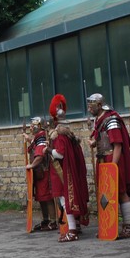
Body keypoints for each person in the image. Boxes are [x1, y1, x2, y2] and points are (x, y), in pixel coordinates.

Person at [87, 93, 130, 239]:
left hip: (112, 160)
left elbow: (117, 144)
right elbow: (104, 139)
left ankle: (127, 227)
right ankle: (109, 225)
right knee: (105, 193)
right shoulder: (100, 120)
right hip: (103, 160)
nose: (89, 107)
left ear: (99, 105)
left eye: (91, 104)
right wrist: (94, 143)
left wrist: (112, 167)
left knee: (120, 192)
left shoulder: (111, 119)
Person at [46, 94, 89, 242]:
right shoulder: (70, 135)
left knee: (66, 200)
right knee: (69, 199)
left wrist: (48, 151)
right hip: (71, 170)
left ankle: (72, 231)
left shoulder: (60, 136)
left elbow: (60, 154)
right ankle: (75, 226)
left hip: (65, 171)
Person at [23, 117, 57, 231]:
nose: (31, 127)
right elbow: (35, 146)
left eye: (33, 125)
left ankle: (52, 222)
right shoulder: (39, 137)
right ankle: (46, 220)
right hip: (39, 173)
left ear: (40, 126)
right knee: (41, 198)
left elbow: (40, 155)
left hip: (43, 171)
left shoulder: (42, 137)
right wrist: (29, 140)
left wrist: (32, 165)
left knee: (47, 198)